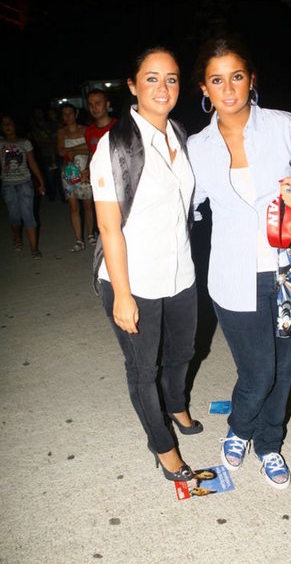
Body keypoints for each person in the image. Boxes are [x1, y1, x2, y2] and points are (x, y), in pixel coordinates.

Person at [187, 36, 291, 491]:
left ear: (251, 79)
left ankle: (269, 445)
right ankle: (240, 427)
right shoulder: (197, 147)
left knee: (284, 369)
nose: (228, 89)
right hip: (232, 274)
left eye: (237, 77)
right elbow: (186, 206)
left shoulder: (286, 126)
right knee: (259, 371)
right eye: (217, 80)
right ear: (204, 88)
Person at [90, 47, 202, 482]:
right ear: (133, 86)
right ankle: (162, 445)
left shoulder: (179, 133)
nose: (163, 87)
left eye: (171, 78)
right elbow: (108, 227)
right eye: (151, 78)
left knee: (183, 352)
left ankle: (176, 405)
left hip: (181, 272)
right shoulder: (115, 146)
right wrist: (122, 295)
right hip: (133, 280)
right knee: (143, 369)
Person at [0, 114, 45, 258]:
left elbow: (32, 163)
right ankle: (17, 238)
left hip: (25, 183)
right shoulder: (0, 144)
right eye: (4, 123)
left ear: (15, 125)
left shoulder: (25, 142)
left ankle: (34, 249)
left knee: (28, 215)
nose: (7, 126)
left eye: (9, 123)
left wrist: (41, 182)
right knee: (14, 216)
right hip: (8, 185)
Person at [57, 102, 96, 251]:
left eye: (70, 113)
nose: (68, 117)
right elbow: (61, 151)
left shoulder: (85, 129)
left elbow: (91, 148)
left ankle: (90, 234)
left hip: (85, 171)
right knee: (73, 206)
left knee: (87, 205)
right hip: (69, 172)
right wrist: (77, 149)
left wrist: (72, 150)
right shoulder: (62, 132)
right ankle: (79, 240)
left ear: (76, 114)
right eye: (65, 114)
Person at [81, 88, 117, 243]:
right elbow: (92, 153)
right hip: (99, 183)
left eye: (98, 103)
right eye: (90, 104)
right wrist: (87, 170)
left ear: (107, 104)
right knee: (103, 221)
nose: (94, 108)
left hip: (117, 179)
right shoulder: (89, 131)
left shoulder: (119, 127)